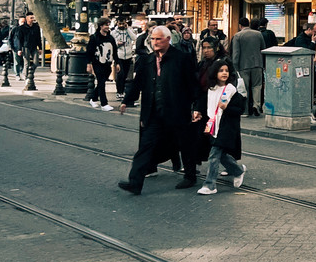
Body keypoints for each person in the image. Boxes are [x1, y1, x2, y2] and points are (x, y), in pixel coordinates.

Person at [117, 26, 199, 193]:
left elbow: (193, 85)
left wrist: (196, 107)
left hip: (177, 110)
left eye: (158, 39)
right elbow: (138, 82)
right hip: (153, 111)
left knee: (185, 143)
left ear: (168, 39)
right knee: (145, 146)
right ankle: (135, 182)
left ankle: (190, 176)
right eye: (152, 39)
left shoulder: (181, 59)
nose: (154, 42)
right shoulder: (147, 60)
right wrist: (127, 100)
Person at [197, 59, 247, 195]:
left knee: (214, 155)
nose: (224, 73)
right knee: (221, 155)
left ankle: (210, 185)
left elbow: (239, 109)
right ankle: (238, 171)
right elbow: (204, 104)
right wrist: (197, 111)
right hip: (213, 126)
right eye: (221, 71)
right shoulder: (211, 89)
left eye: (226, 70)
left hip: (226, 127)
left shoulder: (231, 90)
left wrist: (227, 108)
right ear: (215, 73)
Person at [230, 16, 266, 116]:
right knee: (257, 86)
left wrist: (235, 66)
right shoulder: (258, 34)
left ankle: (245, 110)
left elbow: (236, 53)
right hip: (257, 64)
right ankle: (256, 105)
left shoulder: (238, 36)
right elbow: (263, 48)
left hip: (243, 65)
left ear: (240, 25)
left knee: (243, 88)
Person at [85, 19, 119, 109]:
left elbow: (114, 51)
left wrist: (117, 62)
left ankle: (93, 98)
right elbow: (89, 51)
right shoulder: (94, 38)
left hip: (108, 63)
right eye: (106, 25)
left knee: (102, 81)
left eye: (108, 25)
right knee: (101, 81)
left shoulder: (110, 38)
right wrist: (89, 64)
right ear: (101, 26)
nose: (108, 27)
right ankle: (104, 104)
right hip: (97, 62)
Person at [17, 12, 42, 77]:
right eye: (31, 18)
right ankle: (25, 75)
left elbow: (38, 38)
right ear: (27, 18)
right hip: (26, 46)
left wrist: (40, 48)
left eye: (33, 18)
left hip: (34, 46)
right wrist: (19, 49)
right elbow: (20, 39)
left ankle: (31, 73)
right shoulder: (22, 28)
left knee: (36, 62)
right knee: (26, 63)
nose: (32, 19)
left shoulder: (36, 27)